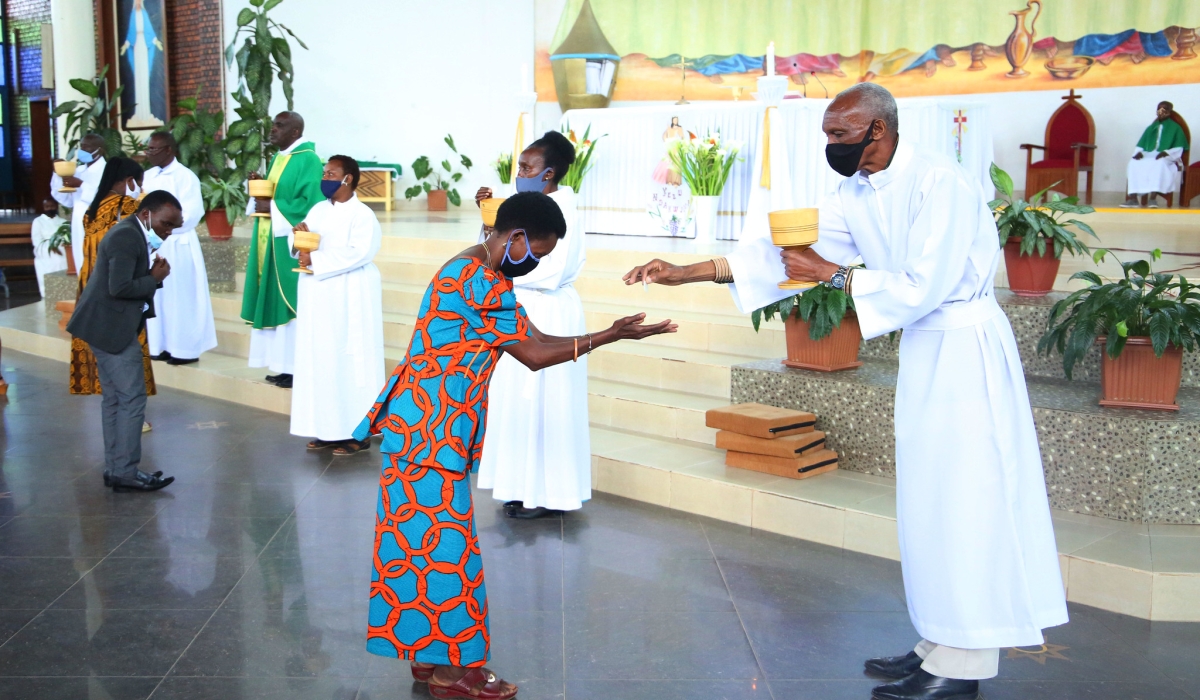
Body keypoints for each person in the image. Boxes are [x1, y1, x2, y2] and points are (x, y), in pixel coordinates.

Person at [623, 83, 1067, 700]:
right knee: (930, 500)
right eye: (828, 134)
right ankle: (939, 641)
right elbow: (786, 256)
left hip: (966, 350)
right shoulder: (856, 189)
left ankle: (964, 664)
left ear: (877, 130)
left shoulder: (940, 183)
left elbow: (924, 286)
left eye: (839, 134)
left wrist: (833, 275)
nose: (830, 145)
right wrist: (688, 271)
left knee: (967, 499)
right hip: (928, 348)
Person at [353, 192, 676, 699]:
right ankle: (454, 673)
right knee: (446, 551)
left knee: (414, 544)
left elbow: (535, 336)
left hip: (419, 424)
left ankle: (428, 656)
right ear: (516, 237)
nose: (536, 264)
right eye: (537, 253)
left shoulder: (479, 268)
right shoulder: (479, 280)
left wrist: (607, 333)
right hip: (433, 429)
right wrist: (609, 338)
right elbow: (533, 355)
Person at [473, 131, 591, 519]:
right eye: (519, 167)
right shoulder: (522, 205)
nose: (519, 174)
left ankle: (548, 493)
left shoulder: (564, 211)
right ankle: (517, 487)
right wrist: (487, 219)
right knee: (515, 400)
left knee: (547, 402)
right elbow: (496, 248)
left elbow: (548, 270)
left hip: (549, 308)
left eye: (527, 168)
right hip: (518, 304)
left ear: (549, 173)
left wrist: (499, 271)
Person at [67, 191, 181, 492]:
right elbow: (119, 287)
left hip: (105, 325)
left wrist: (151, 277)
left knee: (116, 399)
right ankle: (125, 472)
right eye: (166, 224)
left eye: (174, 227)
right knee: (132, 398)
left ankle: (117, 469)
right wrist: (155, 278)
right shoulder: (126, 237)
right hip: (110, 328)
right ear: (146, 214)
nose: (168, 232)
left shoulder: (133, 232)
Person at [289, 155, 384, 456]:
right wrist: (299, 238)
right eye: (324, 173)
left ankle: (358, 433)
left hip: (348, 296)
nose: (325, 178)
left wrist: (315, 259)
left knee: (349, 361)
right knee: (321, 361)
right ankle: (327, 429)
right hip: (318, 297)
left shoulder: (362, 214)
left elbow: (361, 252)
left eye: (331, 173)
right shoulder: (318, 209)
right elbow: (304, 245)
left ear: (348, 179)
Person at [241, 111, 324, 389]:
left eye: (280, 125)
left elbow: (311, 202)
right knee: (274, 300)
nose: (273, 129)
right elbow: (276, 195)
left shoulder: (308, 159)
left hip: (289, 241)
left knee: (291, 303)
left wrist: (273, 207)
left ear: (295, 132)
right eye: (273, 124)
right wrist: (260, 188)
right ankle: (281, 365)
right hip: (269, 239)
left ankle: (297, 367)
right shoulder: (279, 157)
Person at [70, 158, 158, 414]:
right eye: (139, 183)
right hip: (120, 285)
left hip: (91, 285)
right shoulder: (129, 207)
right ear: (129, 181)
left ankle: (113, 406)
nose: (140, 188)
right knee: (126, 349)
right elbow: (146, 243)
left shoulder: (93, 209)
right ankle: (131, 413)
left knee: (102, 351)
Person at [142, 131, 216, 364]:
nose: (149, 153)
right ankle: (160, 346)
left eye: (154, 149)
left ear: (168, 150)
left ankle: (184, 350)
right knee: (158, 296)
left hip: (177, 243)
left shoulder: (185, 176)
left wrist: (163, 227)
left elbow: (192, 213)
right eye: (148, 148)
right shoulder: (147, 176)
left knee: (181, 297)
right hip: (152, 243)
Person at [51, 133, 107, 272]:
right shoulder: (78, 171)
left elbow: (105, 198)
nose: (82, 150)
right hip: (78, 225)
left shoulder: (107, 171)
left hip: (97, 223)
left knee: (98, 264)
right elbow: (67, 200)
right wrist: (58, 174)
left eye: (86, 147)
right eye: (81, 147)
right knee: (81, 262)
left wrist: (81, 184)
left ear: (99, 150)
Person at [1121, 101, 1188, 209]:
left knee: (1159, 163)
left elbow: (1179, 147)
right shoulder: (1151, 128)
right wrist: (1139, 153)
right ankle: (1133, 199)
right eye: (1159, 108)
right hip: (1149, 154)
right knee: (1133, 163)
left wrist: (1166, 153)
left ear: (1170, 111)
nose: (1161, 111)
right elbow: (1141, 144)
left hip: (1167, 156)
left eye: (1165, 109)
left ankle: (1153, 198)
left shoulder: (1176, 128)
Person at [31, 198, 67, 297]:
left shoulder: (63, 221)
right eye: (47, 207)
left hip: (62, 249)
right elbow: (37, 241)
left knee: (63, 260)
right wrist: (52, 247)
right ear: (43, 208)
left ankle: (63, 292)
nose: (50, 208)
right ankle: (48, 294)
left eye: (52, 206)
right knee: (51, 260)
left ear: (56, 207)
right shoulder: (38, 221)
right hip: (45, 250)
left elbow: (67, 238)